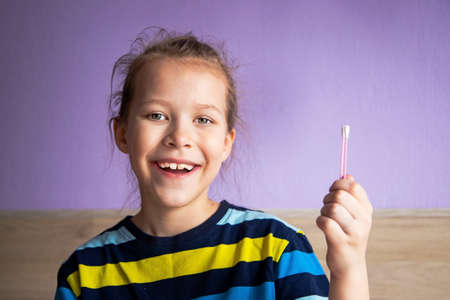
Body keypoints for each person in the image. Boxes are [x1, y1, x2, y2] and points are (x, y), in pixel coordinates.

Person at [55, 28, 372, 300]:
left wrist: (349, 265)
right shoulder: (83, 275)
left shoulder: (277, 250)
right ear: (122, 134)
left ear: (226, 143)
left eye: (203, 119)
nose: (180, 137)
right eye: (156, 115)